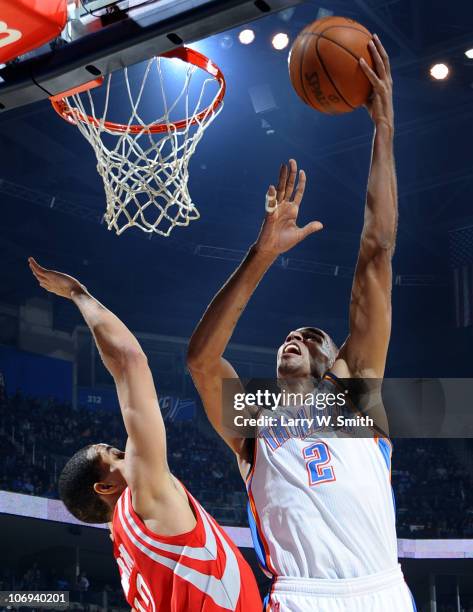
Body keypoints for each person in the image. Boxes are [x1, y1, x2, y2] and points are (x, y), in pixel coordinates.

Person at [187, 36, 415, 611]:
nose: (296, 336)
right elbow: (201, 361)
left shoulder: (356, 395)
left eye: (313, 337)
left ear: (337, 359)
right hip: (300, 596)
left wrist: (383, 126)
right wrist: (260, 256)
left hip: (381, 590)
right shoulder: (255, 421)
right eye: (290, 336)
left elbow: (376, 252)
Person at [28, 257, 262, 612]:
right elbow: (129, 361)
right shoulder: (143, 498)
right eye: (116, 455)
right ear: (105, 487)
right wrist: (78, 293)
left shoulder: (125, 546)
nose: (128, 452)